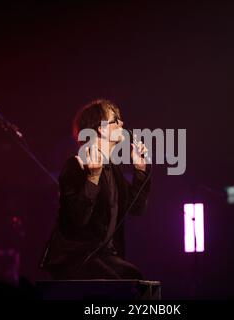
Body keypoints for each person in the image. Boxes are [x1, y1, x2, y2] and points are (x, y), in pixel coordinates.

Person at [40, 99, 151, 280]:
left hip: (105, 256)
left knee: (136, 279)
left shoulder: (114, 170)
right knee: (121, 283)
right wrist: (92, 178)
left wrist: (140, 170)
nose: (122, 124)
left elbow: (137, 208)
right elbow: (78, 218)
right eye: (116, 120)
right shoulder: (76, 165)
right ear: (101, 128)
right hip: (76, 257)